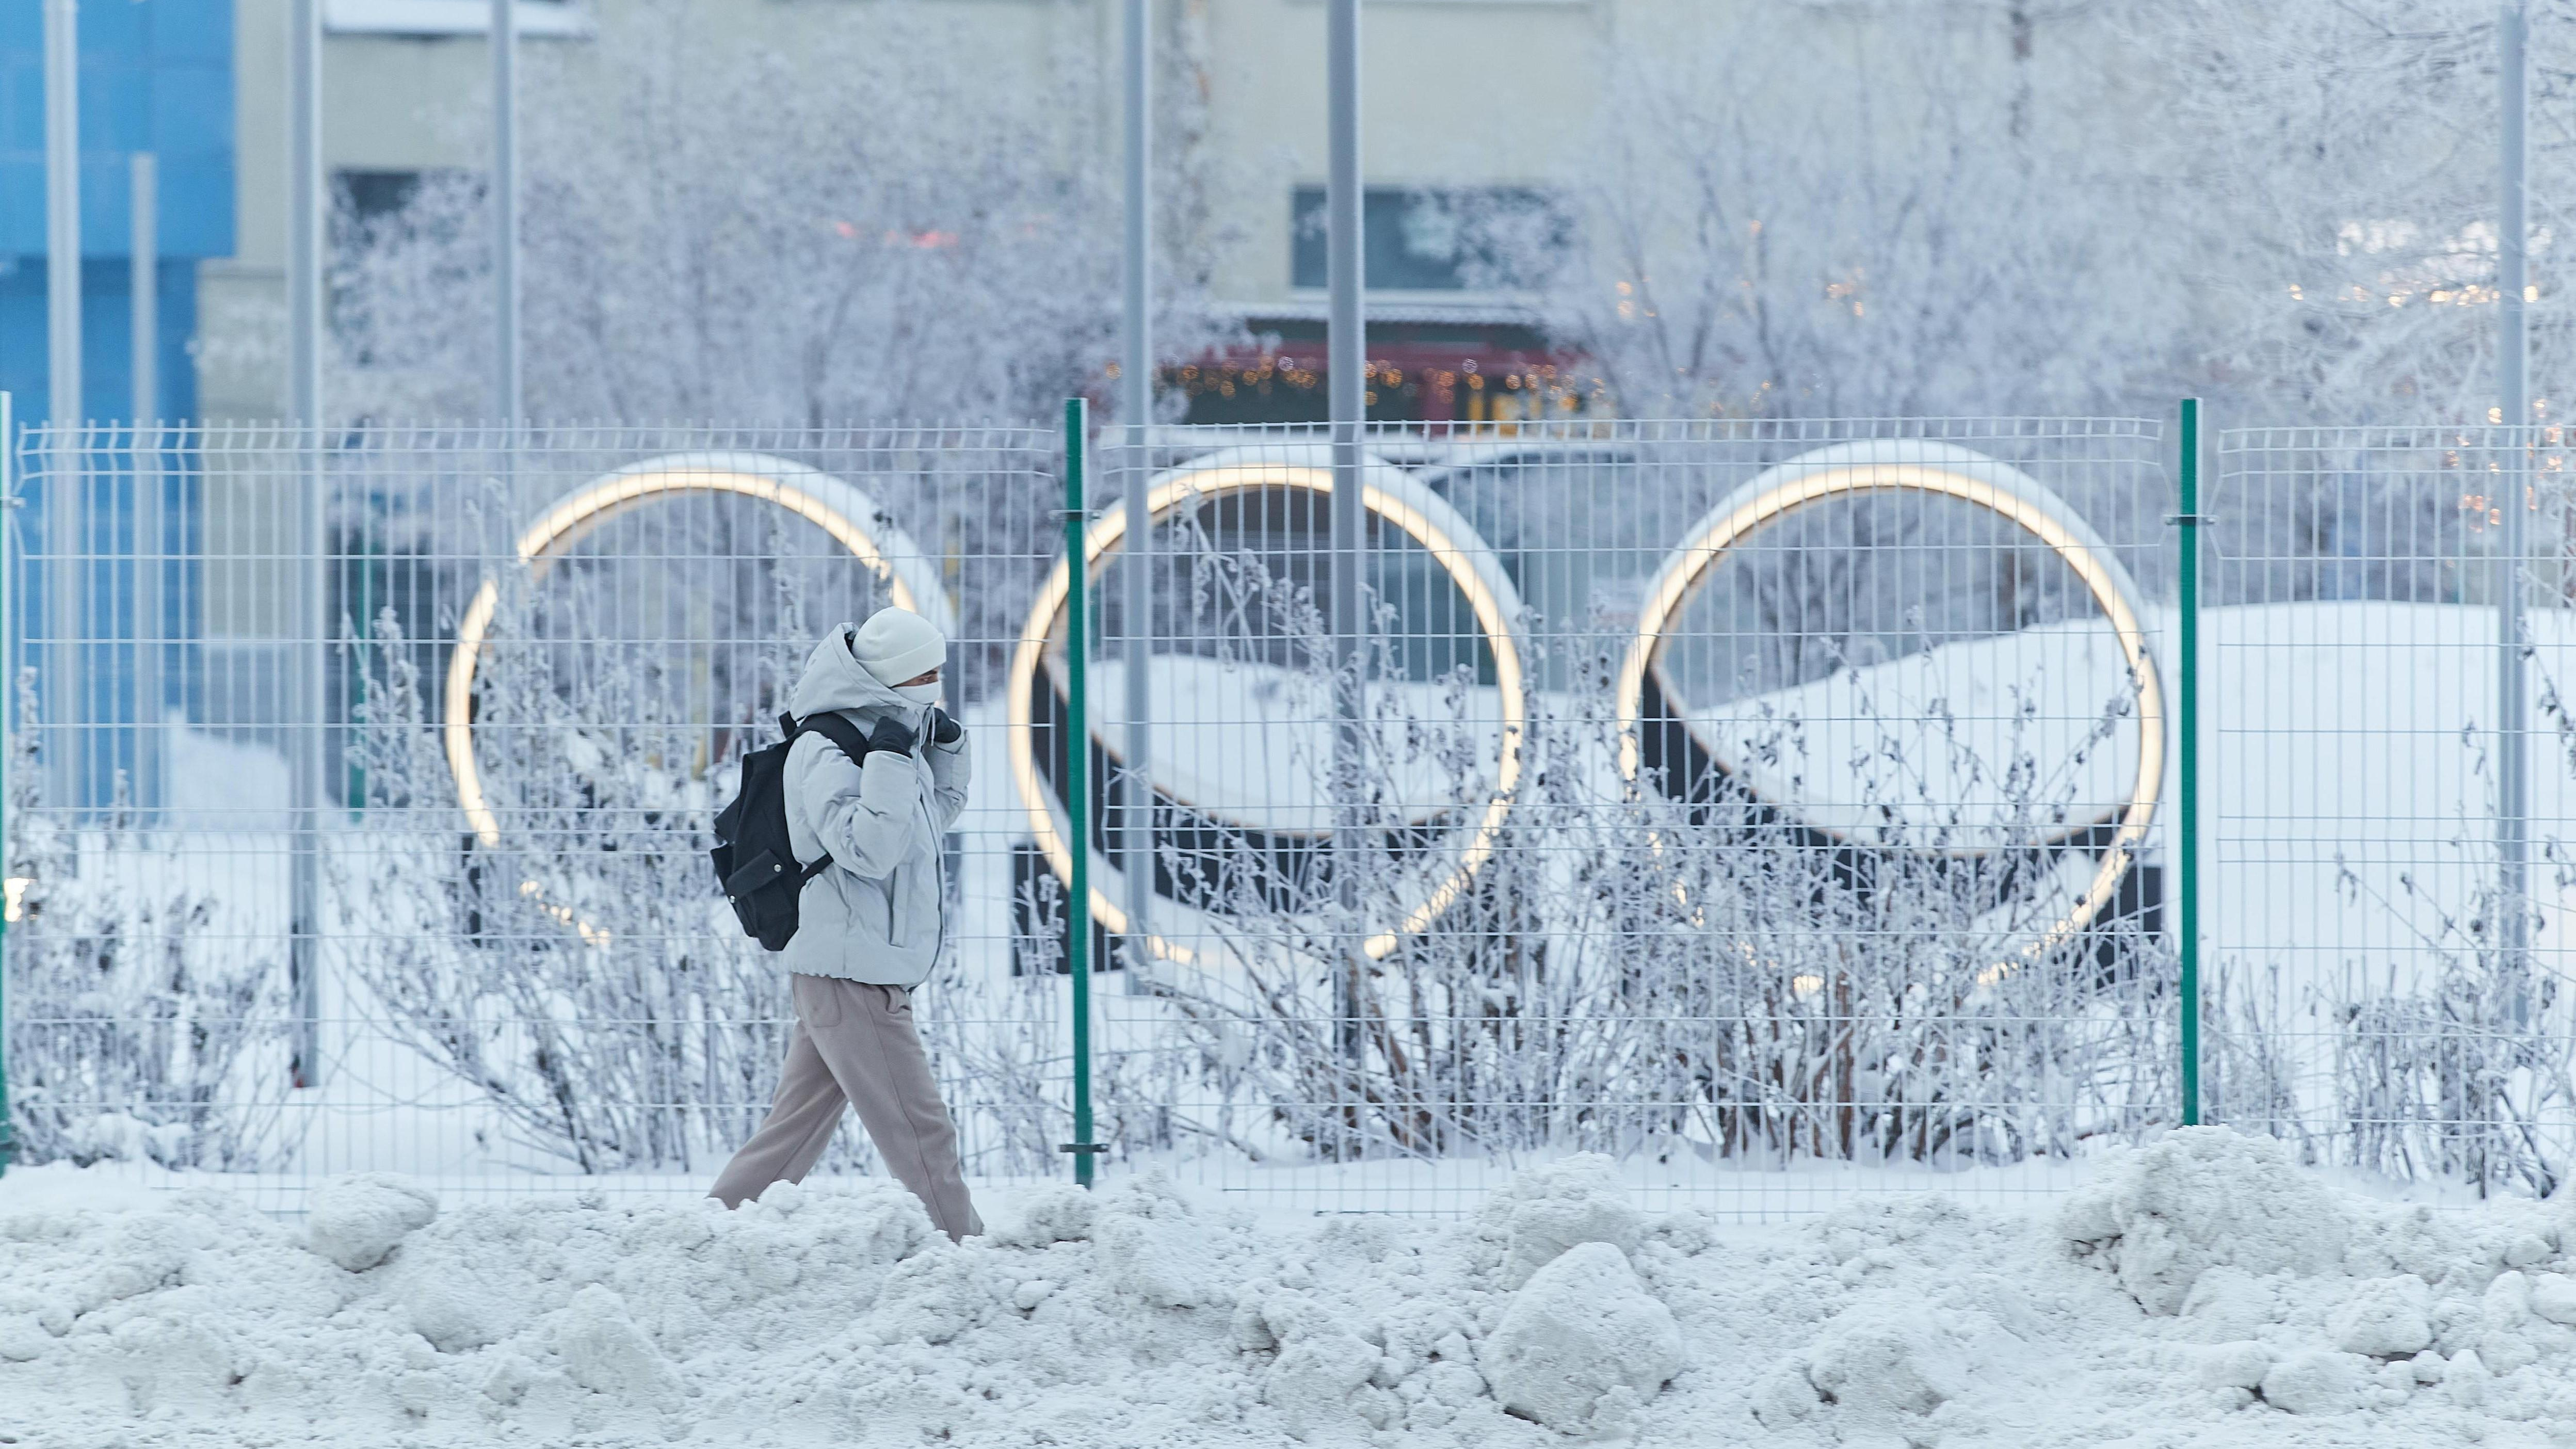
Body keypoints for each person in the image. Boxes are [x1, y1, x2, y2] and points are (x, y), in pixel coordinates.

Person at [707, 606, 981, 1240]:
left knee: (791, 1133)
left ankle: (708, 1239)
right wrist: (890, 759)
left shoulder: (888, 734)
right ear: (892, 677)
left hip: (850, 969)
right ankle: (970, 1261)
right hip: (852, 973)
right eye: (927, 673)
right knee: (922, 1132)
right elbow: (870, 850)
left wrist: (948, 750)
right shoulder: (826, 748)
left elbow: (925, 828)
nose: (937, 683)